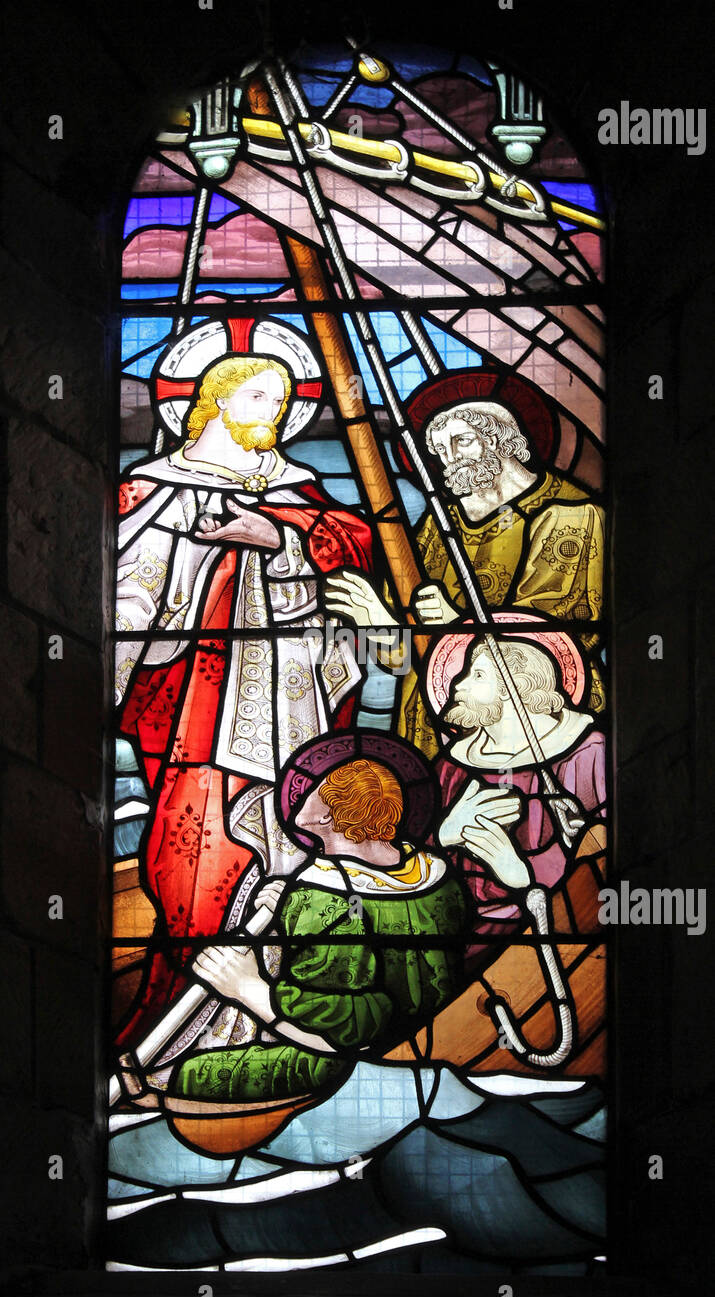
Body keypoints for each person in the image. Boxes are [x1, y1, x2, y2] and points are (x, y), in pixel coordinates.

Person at [114, 353, 373, 1048]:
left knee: (291, 848)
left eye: (283, 402)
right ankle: (182, 1026)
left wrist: (281, 538)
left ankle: (276, 1014)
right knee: (192, 862)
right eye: (259, 397)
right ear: (215, 401)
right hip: (196, 715)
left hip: (296, 709)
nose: (275, 413)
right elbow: (123, 598)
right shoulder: (150, 488)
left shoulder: (297, 487)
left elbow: (354, 547)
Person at [167, 750, 469, 1107]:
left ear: (328, 811)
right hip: (438, 1036)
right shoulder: (436, 876)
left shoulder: (325, 896)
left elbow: (338, 1034)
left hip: (345, 1064)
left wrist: (247, 987)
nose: (298, 795)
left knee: (189, 1072)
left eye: (311, 789)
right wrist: (291, 906)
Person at [325, 388, 604, 755]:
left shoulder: (572, 516)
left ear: (503, 438)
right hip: (434, 724)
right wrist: (377, 620)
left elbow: (557, 643)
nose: (450, 458)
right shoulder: (438, 526)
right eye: (440, 450)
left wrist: (457, 623)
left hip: (533, 729)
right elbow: (406, 658)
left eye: (462, 441)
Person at [431, 632, 606, 970]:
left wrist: (521, 874)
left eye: (476, 674)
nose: (458, 684)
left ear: (517, 687)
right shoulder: (452, 765)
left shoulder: (584, 754)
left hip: (556, 933)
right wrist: (443, 836)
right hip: (456, 929)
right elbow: (408, 856)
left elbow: (603, 861)